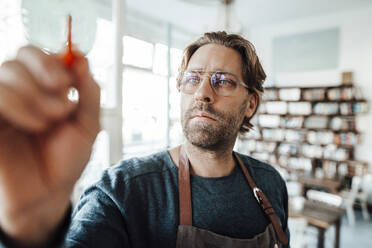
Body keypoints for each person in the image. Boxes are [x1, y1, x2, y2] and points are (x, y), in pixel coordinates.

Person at [0, 31, 290, 248]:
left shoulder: (271, 183)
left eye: (223, 81)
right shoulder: (122, 191)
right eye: (193, 78)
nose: (202, 92)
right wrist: (31, 232)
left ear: (251, 104)